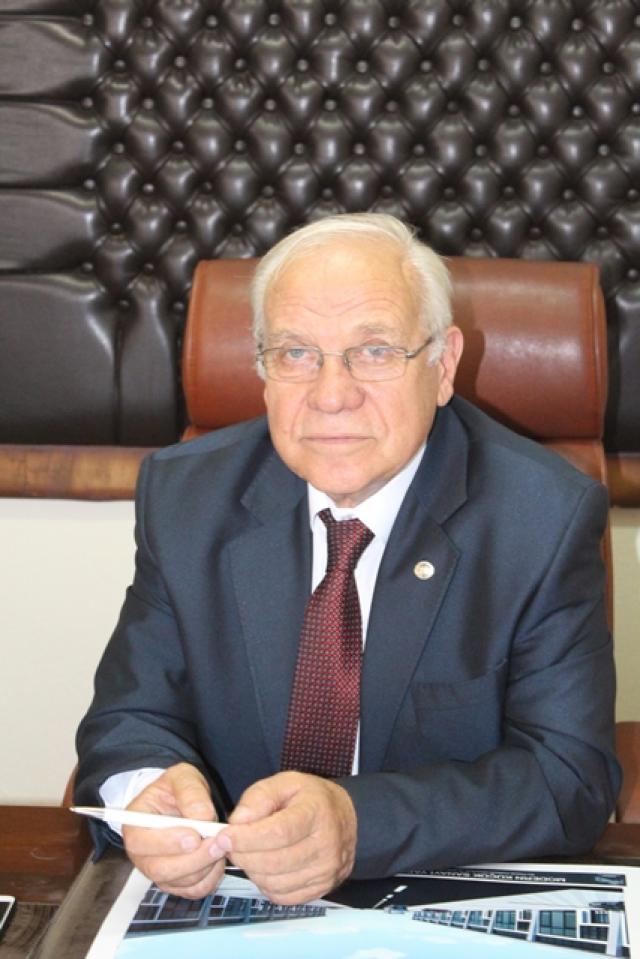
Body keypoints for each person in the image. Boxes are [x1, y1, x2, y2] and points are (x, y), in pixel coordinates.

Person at [75, 212, 620, 907]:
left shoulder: (541, 518)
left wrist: (359, 822)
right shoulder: (186, 498)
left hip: (435, 904)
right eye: (296, 353)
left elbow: (567, 778)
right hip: (231, 898)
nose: (331, 395)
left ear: (444, 365)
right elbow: (127, 720)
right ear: (262, 369)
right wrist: (145, 793)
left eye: (375, 350)